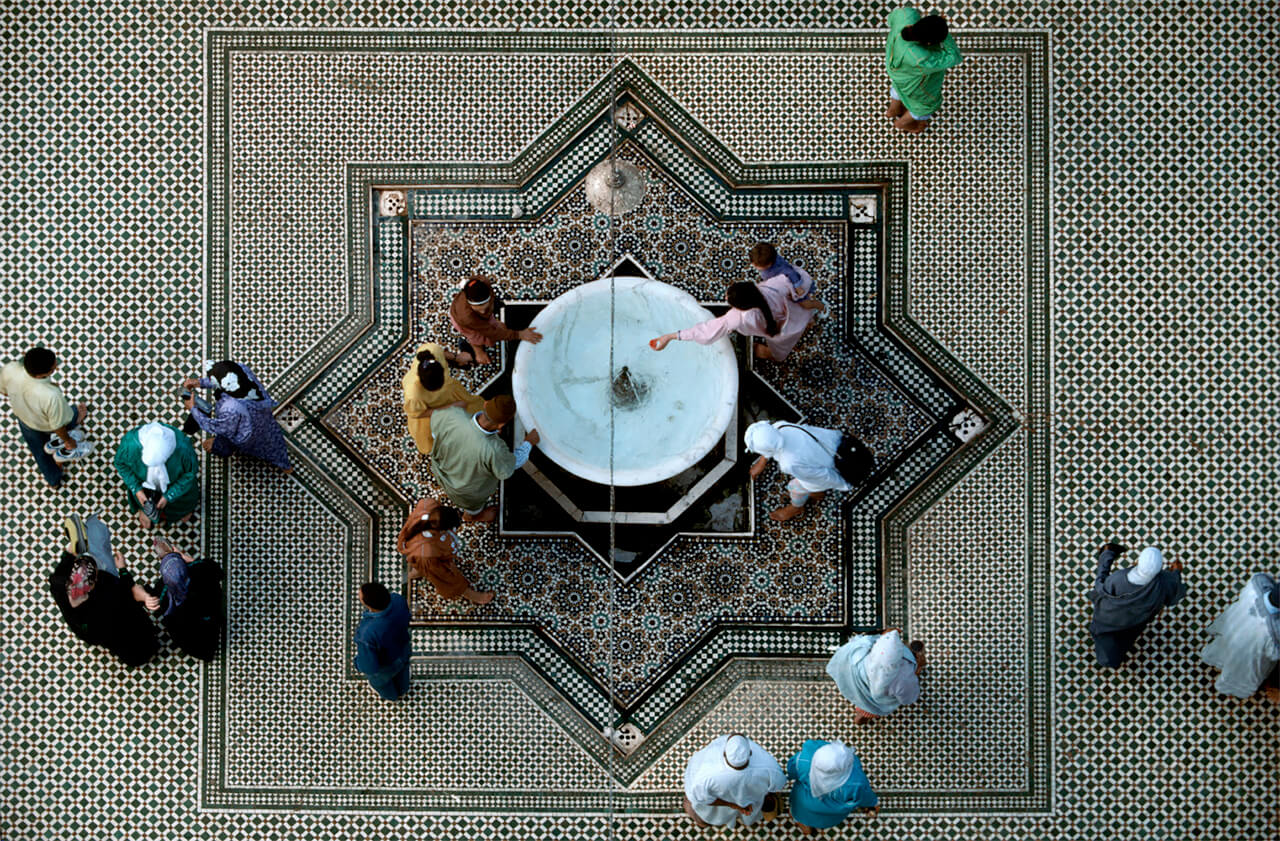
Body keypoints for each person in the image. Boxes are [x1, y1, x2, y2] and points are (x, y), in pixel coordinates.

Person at [49, 515, 159, 667]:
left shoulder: (58, 585)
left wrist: (72, 549)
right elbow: (127, 594)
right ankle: (144, 655)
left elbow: (63, 565)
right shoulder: (107, 598)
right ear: (93, 584)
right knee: (137, 645)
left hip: (86, 630)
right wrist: (123, 571)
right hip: (124, 633)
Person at [650, 277, 816, 362]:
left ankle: (769, 354)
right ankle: (810, 325)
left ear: (740, 306)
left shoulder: (738, 317)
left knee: (777, 353)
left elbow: (707, 332)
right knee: (803, 324)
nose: (726, 295)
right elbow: (794, 284)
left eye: (728, 297)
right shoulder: (774, 285)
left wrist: (671, 336)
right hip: (798, 316)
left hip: (782, 333)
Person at [428, 395, 539, 523]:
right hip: (465, 493)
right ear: (502, 424)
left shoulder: (453, 414)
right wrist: (529, 442)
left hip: (440, 471)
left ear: (485, 404)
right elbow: (510, 466)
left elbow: (435, 433)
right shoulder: (494, 449)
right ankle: (472, 516)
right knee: (473, 507)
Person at [0, 347, 92, 488]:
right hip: (47, 426)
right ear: (39, 375)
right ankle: (73, 424)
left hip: (25, 421)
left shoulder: (11, 368)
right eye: (52, 368)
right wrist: (68, 440)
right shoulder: (51, 395)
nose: (56, 365)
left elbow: (4, 390)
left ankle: (53, 481)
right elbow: (57, 425)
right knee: (67, 416)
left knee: (39, 453)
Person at [181, 360, 291, 472]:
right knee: (274, 443)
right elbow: (224, 379)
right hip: (264, 419)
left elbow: (218, 427)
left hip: (246, 435)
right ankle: (285, 465)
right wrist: (200, 383)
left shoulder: (231, 408)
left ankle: (221, 448)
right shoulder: (241, 371)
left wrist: (193, 409)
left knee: (225, 443)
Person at [744, 420, 863, 522]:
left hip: (843, 468)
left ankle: (796, 508)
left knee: (794, 487)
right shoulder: (781, 426)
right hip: (842, 446)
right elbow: (773, 442)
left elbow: (822, 477)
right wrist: (762, 461)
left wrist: (816, 491)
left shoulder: (789, 464)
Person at [1089, 544, 1186, 668]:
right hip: (1136, 621)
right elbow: (1173, 595)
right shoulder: (1165, 581)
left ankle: (1108, 552)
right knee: (1123, 640)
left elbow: (1100, 586)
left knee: (1107, 642)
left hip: (1109, 618)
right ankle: (1110, 659)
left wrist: (1106, 558)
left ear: (1137, 562)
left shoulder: (1118, 578)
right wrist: (1176, 573)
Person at [397, 497, 495, 604]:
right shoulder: (428, 552)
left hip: (424, 555)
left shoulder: (428, 504)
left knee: (424, 565)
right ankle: (471, 594)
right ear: (441, 529)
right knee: (449, 579)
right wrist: (451, 577)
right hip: (429, 559)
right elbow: (442, 576)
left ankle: (419, 570)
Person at [1201, 573, 1280, 699]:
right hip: (1248, 654)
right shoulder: (1274, 631)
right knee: (1239, 672)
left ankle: (1219, 664)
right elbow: (1274, 653)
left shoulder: (1255, 586)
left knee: (1224, 649)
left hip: (1233, 628)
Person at [884, 7, 963, 134]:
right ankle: (901, 123)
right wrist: (945, 34)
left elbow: (890, 19)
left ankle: (893, 110)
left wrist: (933, 26)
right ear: (928, 42)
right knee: (924, 107)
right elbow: (955, 57)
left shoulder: (906, 14)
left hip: (897, 72)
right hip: (914, 84)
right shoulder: (921, 57)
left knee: (898, 89)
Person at [682, 733, 786, 828]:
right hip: (752, 804)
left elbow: (703, 799)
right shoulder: (770, 768)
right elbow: (778, 786)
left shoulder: (705, 776)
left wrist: (733, 805)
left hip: (721, 808)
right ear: (750, 753)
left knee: (691, 804)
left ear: (724, 754)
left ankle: (702, 823)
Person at [148, 536, 224, 661]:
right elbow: (217, 571)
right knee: (210, 635)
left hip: (187, 633)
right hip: (209, 618)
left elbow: (156, 602)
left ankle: (205, 654)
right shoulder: (201, 570)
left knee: (196, 644)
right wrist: (188, 560)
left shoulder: (163, 590)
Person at [113, 421, 201, 528]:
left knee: (181, 503)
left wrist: (169, 496)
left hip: (175, 485)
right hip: (143, 483)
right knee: (146, 501)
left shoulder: (183, 448)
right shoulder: (130, 445)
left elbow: (189, 474)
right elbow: (120, 464)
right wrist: (138, 491)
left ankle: (181, 511)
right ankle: (144, 510)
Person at [402, 342, 484, 455]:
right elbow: (417, 414)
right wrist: (451, 407)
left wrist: (458, 357)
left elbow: (440, 352)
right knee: (430, 440)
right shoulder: (414, 394)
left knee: (473, 409)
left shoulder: (430, 353)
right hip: (430, 410)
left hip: (450, 394)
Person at [826, 629, 924, 724]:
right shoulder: (903, 678)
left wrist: (888, 634)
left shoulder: (868, 655)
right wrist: (916, 672)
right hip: (874, 702)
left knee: (863, 705)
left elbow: (868, 641)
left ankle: (860, 716)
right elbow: (907, 698)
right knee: (871, 709)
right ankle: (863, 716)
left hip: (855, 686)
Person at [787, 739, 879, 834]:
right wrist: (873, 804)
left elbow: (791, 770)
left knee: (800, 815)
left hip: (802, 806)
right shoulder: (856, 783)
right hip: (829, 816)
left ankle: (804, 827)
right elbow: (865, 798)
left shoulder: (805, 758)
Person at [448, 276, 543, 366]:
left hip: (475, 319)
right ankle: (478, 352)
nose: (482, 311)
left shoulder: (483, 281)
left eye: (485, 306)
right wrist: (518, 334)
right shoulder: (467, 317)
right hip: (466, 324)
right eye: (478, 309)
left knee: (489, 322)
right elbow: (492, 333)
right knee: (476, 337)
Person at [354, 582, 412, 701]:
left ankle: (392, 697)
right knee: (403, 672)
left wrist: (357, 664)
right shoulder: (398, 600)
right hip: (403, 650)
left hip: (386, 665)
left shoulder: (367, 632)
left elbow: (369, 667)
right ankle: (403, 689)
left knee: (382, 684)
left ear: (370, 606)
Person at [749, 243, 824, 313]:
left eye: (756, 265)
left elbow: (790, 273)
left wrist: (798, 288)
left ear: (769, 265)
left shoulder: (777, 269)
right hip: (785, 285)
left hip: (793, 286)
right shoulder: (773, 258)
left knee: (805, 304)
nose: (753, 265)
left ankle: (821, 306)